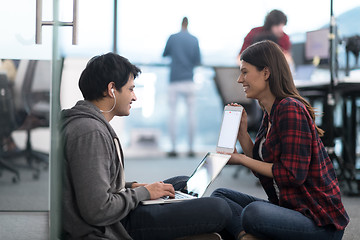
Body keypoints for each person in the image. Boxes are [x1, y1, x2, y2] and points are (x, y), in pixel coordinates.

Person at [61, 53, 231, 240]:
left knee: (181, 183)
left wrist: (131, 187)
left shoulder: (89, 125)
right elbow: (98, 210)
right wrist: (142, 193)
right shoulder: (90, 132)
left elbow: (89, 182)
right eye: (130, 89)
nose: (134, 97)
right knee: (219, 208)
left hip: (115, 215)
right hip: (113, 226)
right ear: (111, 89)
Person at [211, 41, 349, 240]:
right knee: (220, 198)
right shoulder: (270, 112)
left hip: (317, 221)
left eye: (245, 72)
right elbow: (263, 167)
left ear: (266, 73)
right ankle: (246, 237)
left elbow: (292, 175)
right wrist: (242, 133)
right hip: (286, 207)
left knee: (253, 213)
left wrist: (240, 159)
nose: (240, 79)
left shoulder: (290, 109)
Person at [163, 17, 201, 157]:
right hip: (189, 81)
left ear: (181, 24)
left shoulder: (173, 38)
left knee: (172, 115)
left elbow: (165, 54)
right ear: (188, 24)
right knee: (191, 115)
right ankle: (191, 148)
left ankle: (173, 148)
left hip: (174, 80)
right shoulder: (194, 39)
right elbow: (198, 60)